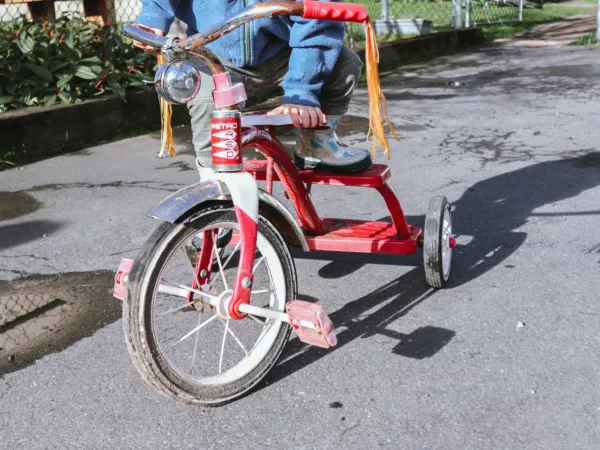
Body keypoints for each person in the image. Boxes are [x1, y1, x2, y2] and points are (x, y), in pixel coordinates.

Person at [133, 0, 372, 173]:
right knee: (204, 93)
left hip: (286, 55)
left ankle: (316, 143)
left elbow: (317, 20)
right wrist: (152, 17)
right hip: (216, 56)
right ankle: (213, 179)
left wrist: (302, 91)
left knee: (344, 64)